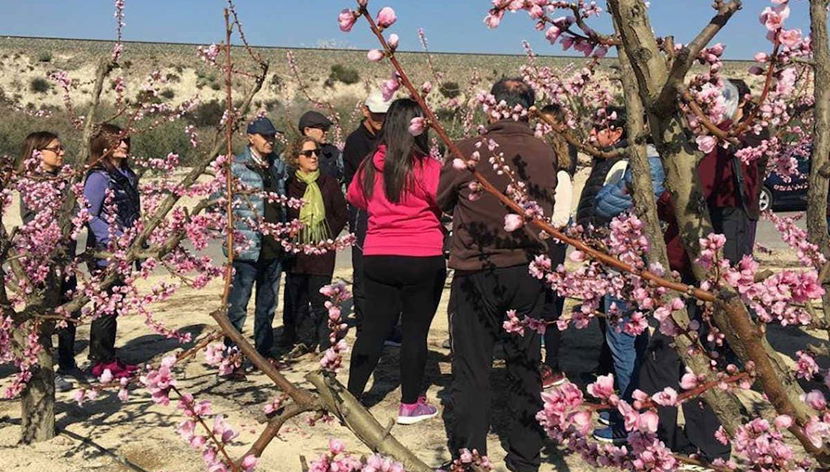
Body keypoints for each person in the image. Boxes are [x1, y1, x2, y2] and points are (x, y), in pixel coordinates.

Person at [438, 78, 557, 472]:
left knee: (473, 368)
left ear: (493, 107)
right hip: (527, 269)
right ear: (527, 108)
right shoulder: (544, 150)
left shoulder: (469, 150)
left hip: (478, 271)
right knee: (525, 365)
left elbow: (441, 198)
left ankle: (470, 455)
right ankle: (525, 457)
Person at [594, 155, 731, 461]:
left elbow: (602, 206)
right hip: (678, 281)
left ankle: (647, 428)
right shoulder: (688, 179)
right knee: (675, 361)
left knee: (651, 358)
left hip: (666, 281)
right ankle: (673, 436)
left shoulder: (668, 174)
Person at [346, 98, 446, 425]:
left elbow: (354, 198)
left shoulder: (369, 166)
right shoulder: (429, 167)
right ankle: (410, 404)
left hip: (377, 254)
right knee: (415, 332)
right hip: (422, 254)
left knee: (372, 331)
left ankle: (352, 397)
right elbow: (445, 201)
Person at [18, 131, 84, 391]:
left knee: (71, 307)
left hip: (65, 253)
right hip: (43, 257)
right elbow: (32, 218)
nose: (61, 153)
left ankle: (68, 362)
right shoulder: (31, 182)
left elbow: (78, 211)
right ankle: (46, 367)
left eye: (61, 147)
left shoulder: (64, 180)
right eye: (55, 149)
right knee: (45, 313)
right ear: (38, 153)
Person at [222, 117, 288, 379]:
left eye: (272, 136)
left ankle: (263, 352)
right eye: (264, 136)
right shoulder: (237, 167)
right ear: (251, 137)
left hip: (273, 248)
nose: (269, 141)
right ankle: (232, 357)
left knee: (268, 305)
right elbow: (220, 204)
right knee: (238, 306)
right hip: (246, 249)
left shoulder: (277, 166)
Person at [573, 106, 630, 380]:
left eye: (598, 128)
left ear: (616, 133)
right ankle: (606, 373)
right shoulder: (604, 161)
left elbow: (610, 208)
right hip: (600, 250)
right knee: (605, 318)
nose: (591, 134)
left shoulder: (619, 164)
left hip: (613, 254)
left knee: (616, 323)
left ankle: (614, 381)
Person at [341, 89, 400, 344]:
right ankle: (367, 327)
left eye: (385, 116)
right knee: (364, 270)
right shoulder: (356, 142)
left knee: (393, 271)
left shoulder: (394, 138)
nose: (380, 121)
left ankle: (390, 326)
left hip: (391, 210)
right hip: (363, 210)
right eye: (377, 115)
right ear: (365, 111)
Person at [84, 123, 141, 379]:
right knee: (105, 305)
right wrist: (114, 239)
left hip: (128, 248)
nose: (124, 145)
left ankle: (108, 355)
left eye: (126, 141)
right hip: (106, 251)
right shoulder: (98, 176)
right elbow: (89, 215)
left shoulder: (126, 175)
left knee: (115, 304)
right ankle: (99, 360)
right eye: (118, 141)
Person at [282, 136, 347, 355]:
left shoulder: (328, 183)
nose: (313, 157)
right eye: (308, 153)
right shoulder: (289, 185)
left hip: (321, 252)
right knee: (298, 298)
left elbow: (341, 214)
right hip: (297, 254)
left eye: (316, 153)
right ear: (295, 158)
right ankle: (304, 339)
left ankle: (325, 340)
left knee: (320, 299)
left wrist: (325, 236)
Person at [697, 78, 765, 263]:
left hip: (738, 206)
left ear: (741, 101)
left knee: (735, 259)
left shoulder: (751, 132)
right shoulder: (718, 132)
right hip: (720, 206)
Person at [537, 104, 577, 389]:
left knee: (551, 310)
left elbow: (561, 216)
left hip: (551, 246)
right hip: (537, 246)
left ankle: (552, 364)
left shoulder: (561, 177)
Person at [297, 110, 343, 182]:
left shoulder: (333, 153)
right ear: (307, 130)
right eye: (323, 129)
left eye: (327, 129)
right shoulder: (294, 154)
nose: (326, 132)